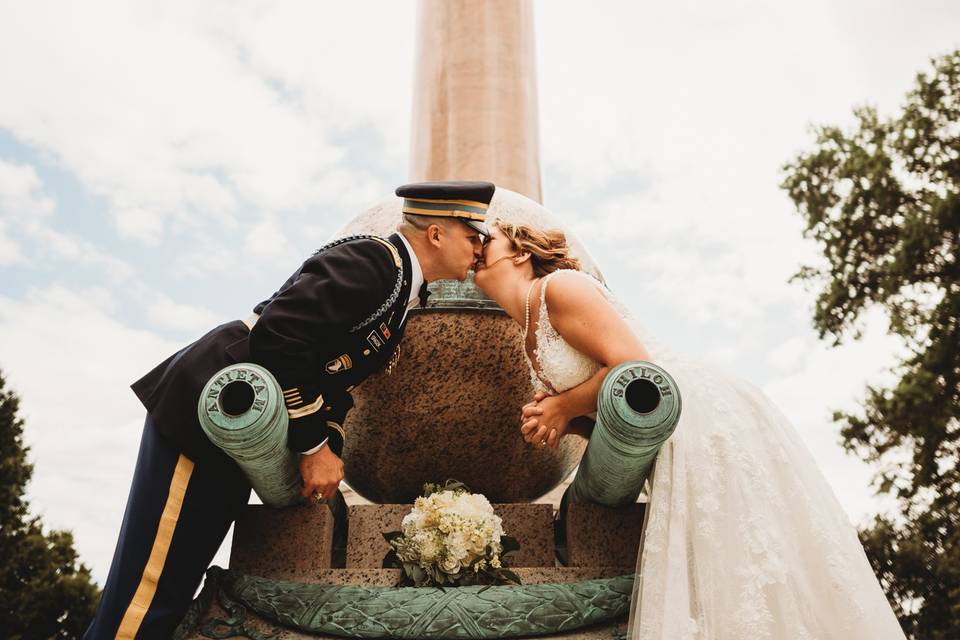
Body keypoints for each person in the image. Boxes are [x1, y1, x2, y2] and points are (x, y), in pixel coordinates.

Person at [83, 181, 491, 639]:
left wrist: (326, 445)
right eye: (474, 235)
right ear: (436, 234)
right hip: (216, 408)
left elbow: (336, 384)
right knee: (147, 591)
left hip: (248, 434)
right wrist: (313, 445)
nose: (481, 247)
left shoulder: (402, 288)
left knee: (174, 590)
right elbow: (279, 337)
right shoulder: (375, 262)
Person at [473, 220, 906, 639]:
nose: (475, 249)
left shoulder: (559, 289)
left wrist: (564, 405)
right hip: (666, 444)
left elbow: (634, 368)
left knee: (744, 558)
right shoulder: (526, 328)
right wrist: (559, 420)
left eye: (486, 240)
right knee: (716, 569)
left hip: (700, 419)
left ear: (521, 253)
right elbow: (608, 412)